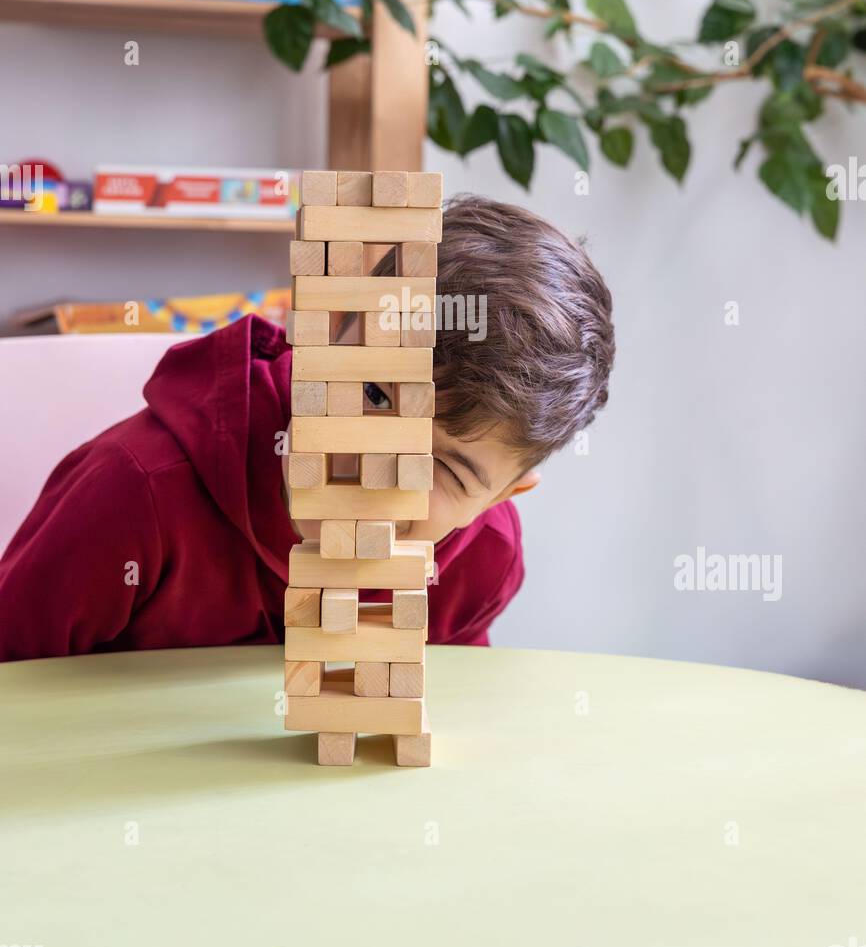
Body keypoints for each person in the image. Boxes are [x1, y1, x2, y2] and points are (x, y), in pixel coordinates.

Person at [0, 194, 614, 659]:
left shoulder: (484, 557)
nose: (382, 465)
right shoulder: (135, 491)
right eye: (375, 394)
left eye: (445, 469)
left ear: (502, 496)